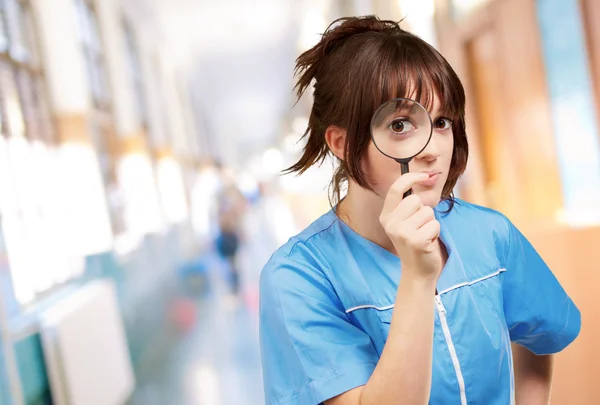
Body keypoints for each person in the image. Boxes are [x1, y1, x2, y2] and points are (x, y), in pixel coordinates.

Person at [258, 15, 581, 405]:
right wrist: (416, 277)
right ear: (341, 143)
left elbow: (542, 333)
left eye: (442, 121)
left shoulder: (490, 233)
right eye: (399, 125)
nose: (432, 148)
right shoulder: (298, 277)